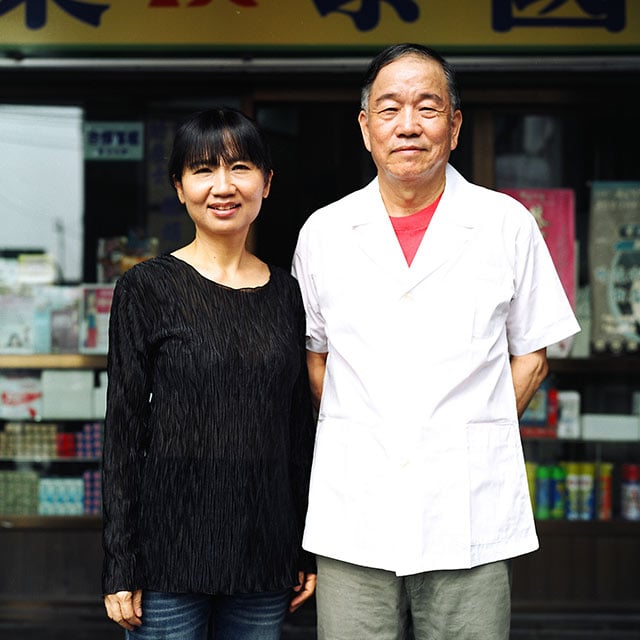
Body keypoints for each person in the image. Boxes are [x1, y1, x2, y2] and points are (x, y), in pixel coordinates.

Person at [292, 44, 580, 640]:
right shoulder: (324, 232)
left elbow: (532, 355)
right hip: (356, 509)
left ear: (454, 127)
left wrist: (467, 430)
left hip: (466, 507)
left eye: (428, 107)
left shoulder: (506, 223)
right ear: (365, 126)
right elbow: (314, 356)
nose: (408, 125)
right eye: (390, 107)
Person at [102, 108, 317, 640]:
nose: (223, 186)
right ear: (179, 187)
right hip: (167, 559)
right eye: (202, 170)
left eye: (240, 167)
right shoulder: (146, 288)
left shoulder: (289, 295)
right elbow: (124, 434)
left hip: (264, 556)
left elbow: (298, 432)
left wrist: (304, 548)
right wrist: (119, 563)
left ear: (266, 183)